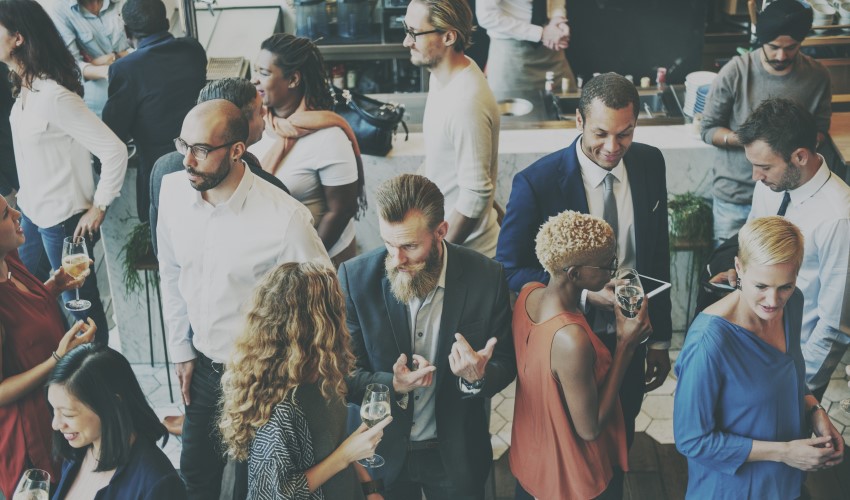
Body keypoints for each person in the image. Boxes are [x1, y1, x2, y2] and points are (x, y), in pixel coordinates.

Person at [158, 99, 330, 500]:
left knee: (253, 487)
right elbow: (171, 273)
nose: (187, 160)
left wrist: (300, 370)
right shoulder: (171, 193)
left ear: (237, 150)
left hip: (265, 376)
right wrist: (182, 349)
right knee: (196, 477)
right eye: (183, 145)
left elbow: (324, 300)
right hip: (203, 369)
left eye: (200, 149)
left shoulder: (284, 218)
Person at [496, 72, 672, 453]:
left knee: (621, 432)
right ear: (578, 121)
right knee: (574, 448)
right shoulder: (536, 183)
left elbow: (658, 252)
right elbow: (509, 269)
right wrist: (587, 296)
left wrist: (659, 339)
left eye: (624, 134)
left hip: (630, 335)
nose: (612, 146)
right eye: (600, 133)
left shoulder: (650, 163)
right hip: (567, 343)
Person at [339, 174, 516, 500]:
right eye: (388, 244)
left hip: (455, 454)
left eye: (409, 246)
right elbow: (343, 376)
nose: (396, 259)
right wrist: (392, 384)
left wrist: (476, 377)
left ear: (441, 232)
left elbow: (505, 361)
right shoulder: (355, 278)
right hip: (380, 452)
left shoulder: (486, 277)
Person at [674, 216, 844, 499]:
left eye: (785, 286)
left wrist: (815, 412)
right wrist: (785, 452)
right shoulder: (709, 342)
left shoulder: (793, 304)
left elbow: (788, 378)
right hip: (731, 489)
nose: (773, 301)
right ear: (739, 268)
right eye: (761, 286)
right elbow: (692, 440)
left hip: (783, 482)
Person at [1, 0, 127, 344]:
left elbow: (113, 150)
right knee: (29, 293)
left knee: (82, 310)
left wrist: (99, 205)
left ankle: (102, 386)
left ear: (18, 38)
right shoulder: (25, 90)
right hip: (32, 215)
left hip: (63, 221)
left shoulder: (54, 96)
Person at [220, 262, 391, 500]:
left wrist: (369, 488)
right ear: (320, 323)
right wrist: (345, 455)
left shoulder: (322, 371)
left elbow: (337, 441)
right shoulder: (280, 408)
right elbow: (272, 495)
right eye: (337, 307)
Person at [511, 210, 651, 500]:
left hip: (533, 454)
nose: (612, 271)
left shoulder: (528, 293)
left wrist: (598, 284)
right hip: (570, 474)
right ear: (574, 273)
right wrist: (626, 345)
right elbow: (590, 429)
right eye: (605, 265)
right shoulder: (570, 339)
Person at [727, 98, 850, 401]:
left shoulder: (839, 218)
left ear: (799, 156)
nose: (756, 176)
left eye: (764, 166)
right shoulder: (768, 185)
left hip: (797, 362)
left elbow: (836, 323)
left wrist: (801, 386)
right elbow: (752, 243)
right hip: (751, 342)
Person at [700, 0, 831, 247]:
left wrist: (794, 146)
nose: (781, 55)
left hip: (790, 194)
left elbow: (821, 129)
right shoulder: (736, 71)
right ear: (761, 40)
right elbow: (707, 129)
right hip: (735, 194)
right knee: (731, 266)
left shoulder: (817, 76)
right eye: (773, 47)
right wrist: (752, 141)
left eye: (791, 48)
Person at [0, 195, 96, 498]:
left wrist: (54, 285)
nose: (18, 214)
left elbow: (24, 317)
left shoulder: (9, 257)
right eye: (5, 214)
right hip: (29, 431)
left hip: (54, 406)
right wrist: (59, 358)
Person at [251, 33, 365, 267]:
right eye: (255, 71)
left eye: (264, 73)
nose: (254, 80)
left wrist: (306, 262)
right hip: (275, 262)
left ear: (293, 79)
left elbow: (341, 210)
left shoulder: (329, 137)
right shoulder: (258, 126)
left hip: (322, 265)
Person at [404, 0, 501, 257]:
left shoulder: (466, 102)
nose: (406, 41)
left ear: (448, 37)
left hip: (468, 256)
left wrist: (437, 254)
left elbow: (475, 194)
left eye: (414, 33)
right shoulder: (444, 76)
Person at [149, 77, 289, 255]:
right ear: (236, 122)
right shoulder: (272, 190)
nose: (265, 113)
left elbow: (160, 251)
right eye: (258, 111)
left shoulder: (161, 169)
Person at [102, 0, 206, 222]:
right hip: (203, 162)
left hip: (159, 172)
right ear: (167, 23)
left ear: (127, 31)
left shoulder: (125, 68)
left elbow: (113, 130)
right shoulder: (193, 49)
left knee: (164, 239)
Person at [48, 344, 186, 499]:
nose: (56, 424)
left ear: (111, 405)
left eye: (68, 414)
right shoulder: (77, 452)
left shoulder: (158, 484)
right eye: (54, 409)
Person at [47, 0, 130, 117]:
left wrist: (110, 58)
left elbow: (145, 41)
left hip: (139, 79)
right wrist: (109, 71)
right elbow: (73, 66)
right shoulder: (61, 9)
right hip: (100, 97)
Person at [476, 0, 574, 94]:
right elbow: (486, 15)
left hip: (552, 49)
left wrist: (557, 19)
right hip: (512, 56)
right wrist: (541, 33)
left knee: (570, 106)